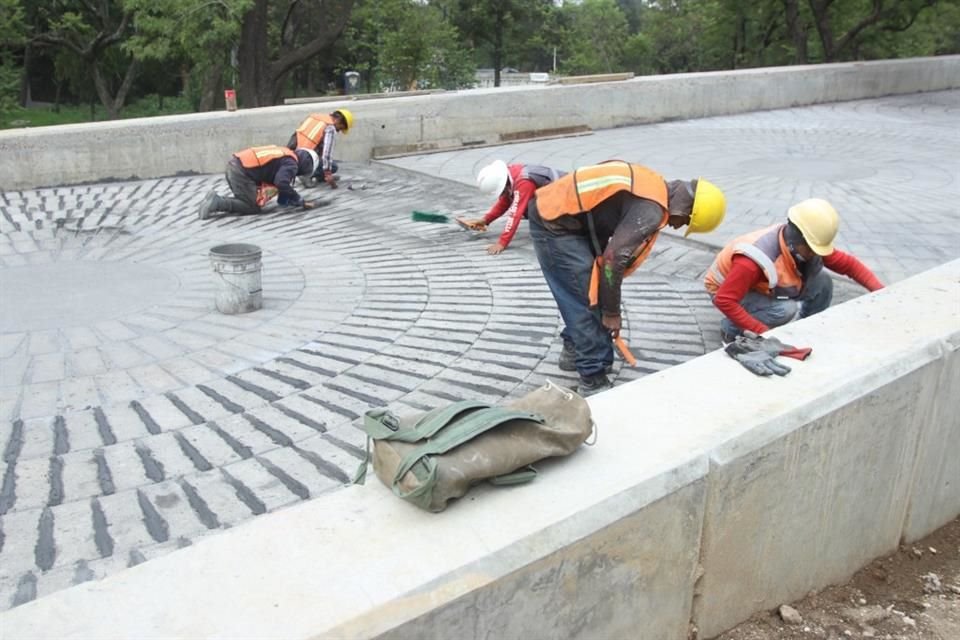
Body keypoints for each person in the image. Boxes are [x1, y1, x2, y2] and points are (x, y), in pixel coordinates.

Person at [529, 160, 726, 396]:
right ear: (685, 209)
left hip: (572, 218)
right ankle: (592, 377)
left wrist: (609, 304)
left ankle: (575, 348)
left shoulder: (655, 186)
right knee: (585, 299)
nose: (677, 227)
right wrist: (612, 313)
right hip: (554, 223)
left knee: (586, 290)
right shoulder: (651, 210)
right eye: (685, 222)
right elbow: (613, 261)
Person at [705, 198, 883, 342]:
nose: (816, 254)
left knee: (823, 282)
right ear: (797, 240)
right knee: (784, 309)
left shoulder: (807, 243)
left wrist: (883, 292)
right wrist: (765, 335)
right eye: (813, 249)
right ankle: (731, 329)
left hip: (757, 285)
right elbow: (725, 300)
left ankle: (805, 328)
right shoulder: (753, 260)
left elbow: (848, 265)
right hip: (726, 290)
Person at [457, 160, 566, 254]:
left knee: (529, 209)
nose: (502, 194)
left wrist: (502, 242)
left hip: (568, 199)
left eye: (501, 192)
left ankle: (562, 226)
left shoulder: (523, 182)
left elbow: (515, 214)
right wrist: (485, 220)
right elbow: (504, 202)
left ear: (503, 185)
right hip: (558, 194)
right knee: (526, 206)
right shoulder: (510, 175)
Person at [198, 146, 320, 220]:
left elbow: (279, 180)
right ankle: (218, 202)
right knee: (251, 206)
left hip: (235, 165)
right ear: (306, 166)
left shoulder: (286, 153)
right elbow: (282, 183)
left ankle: (213, 199)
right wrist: (299, 200)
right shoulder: (292, 164)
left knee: (246, 198)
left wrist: (286, 200)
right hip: (241, 173)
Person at [286, 109, 354, 189]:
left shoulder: (314, 117)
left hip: (292, 157)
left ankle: (316, 176)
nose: (338, 131)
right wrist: (328, 173)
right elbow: (327, 153)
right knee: (333, 166)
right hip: (304, 160)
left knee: (325, 162)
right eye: (340, 128)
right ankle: (305, 175)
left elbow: (296, 137)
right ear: (338, 120)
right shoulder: (330, 128)